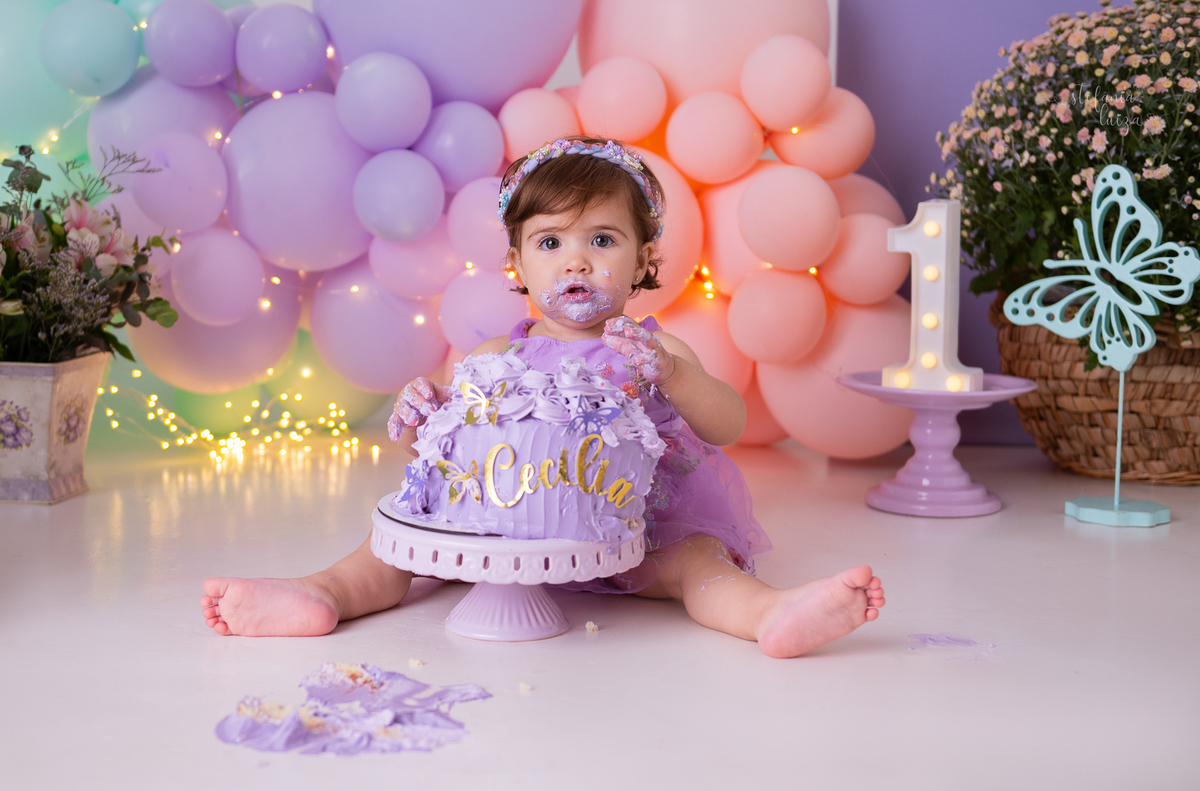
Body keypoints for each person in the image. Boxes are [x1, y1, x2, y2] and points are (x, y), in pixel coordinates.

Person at [200, 137, 885, 657]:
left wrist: (673, 376)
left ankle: (769, 614)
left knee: (695, 566)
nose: (576, 260)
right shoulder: (495, 358)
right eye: (550, 241)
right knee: (397, 550)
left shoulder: (651, 349)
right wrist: (422, 415)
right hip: (508, 536)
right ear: (517, 265)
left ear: (644, 261)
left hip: (637, 530)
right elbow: (456, 448)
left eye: (603, 239)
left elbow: (727, 422)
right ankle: (322, 592)